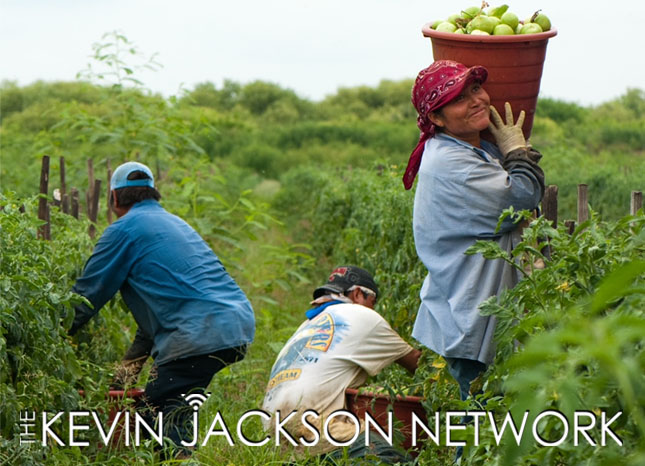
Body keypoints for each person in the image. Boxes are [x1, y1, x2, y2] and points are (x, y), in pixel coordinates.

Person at [68, 161, 255, 453]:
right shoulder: (174, 223)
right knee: (159, 404)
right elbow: (155, 322)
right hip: (235, 324)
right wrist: (123, 376)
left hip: (199, 332)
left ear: (114, 198)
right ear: (154, 193)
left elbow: (86, 297)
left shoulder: (123, 231)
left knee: (161, 413)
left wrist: (53, 334)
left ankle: (178, 457)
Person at [403, 60, 545, 403]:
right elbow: (521, 195)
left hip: (471, 306)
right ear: (436, 118)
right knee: (481, 427)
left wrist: (511, 150)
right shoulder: (453, 164)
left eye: (476, 89)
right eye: (460, 99)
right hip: (471, 313)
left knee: (484, 423)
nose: (477, 101)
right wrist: (518, 153)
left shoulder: (465, 147)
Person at [261, 266, 421, 463]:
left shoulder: (309, 324)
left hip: (273, 429)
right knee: (394, 460)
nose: (374, 309)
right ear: (357, 294)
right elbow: (417, 364)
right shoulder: (365, 316)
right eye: (373, 302)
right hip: (313, 421)